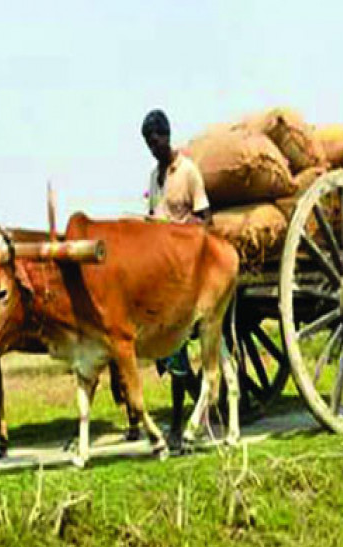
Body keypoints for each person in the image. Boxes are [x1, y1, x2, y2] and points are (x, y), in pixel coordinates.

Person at [141, 109, 209, 446]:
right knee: (164, 348)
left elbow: (204, 221)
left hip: (185, 274)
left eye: (154, 141)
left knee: (176, 347)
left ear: (166, 136)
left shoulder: (188, 172)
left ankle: (178, 425)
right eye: (147, 144)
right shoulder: (154, 177)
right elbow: (153, 217)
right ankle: (198, 402)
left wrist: (175, 233)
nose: (152, 149)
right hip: (160, 273)